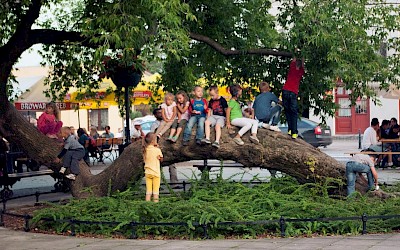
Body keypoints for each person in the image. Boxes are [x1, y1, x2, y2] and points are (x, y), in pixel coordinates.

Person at [282, 55, 305, 139]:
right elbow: (302, 64)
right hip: (293, 92)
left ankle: (290, 129)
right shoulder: (300, 72)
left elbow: (294, 58)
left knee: (287, 111)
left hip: (285, 90)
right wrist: (303, 58)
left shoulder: (292, 68)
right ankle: (294, 132)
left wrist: (295, 51)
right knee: (293, 113)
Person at [142, 132, 163, 202]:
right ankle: (155, 207)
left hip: (148, 173)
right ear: (153, 141)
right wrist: (157, 147)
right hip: (156, 173)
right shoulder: (157, 150)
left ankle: (147, 206)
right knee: (156, 192)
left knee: (148, 191)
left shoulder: (145, 150)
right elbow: (161, 159)